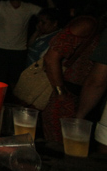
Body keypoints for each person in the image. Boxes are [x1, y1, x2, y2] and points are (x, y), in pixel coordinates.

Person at [42, 13, 103, 141]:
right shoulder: (87, 23)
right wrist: (61, 93)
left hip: (88, 96)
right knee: (61, 143)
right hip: (67, 92)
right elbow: (51, 58)